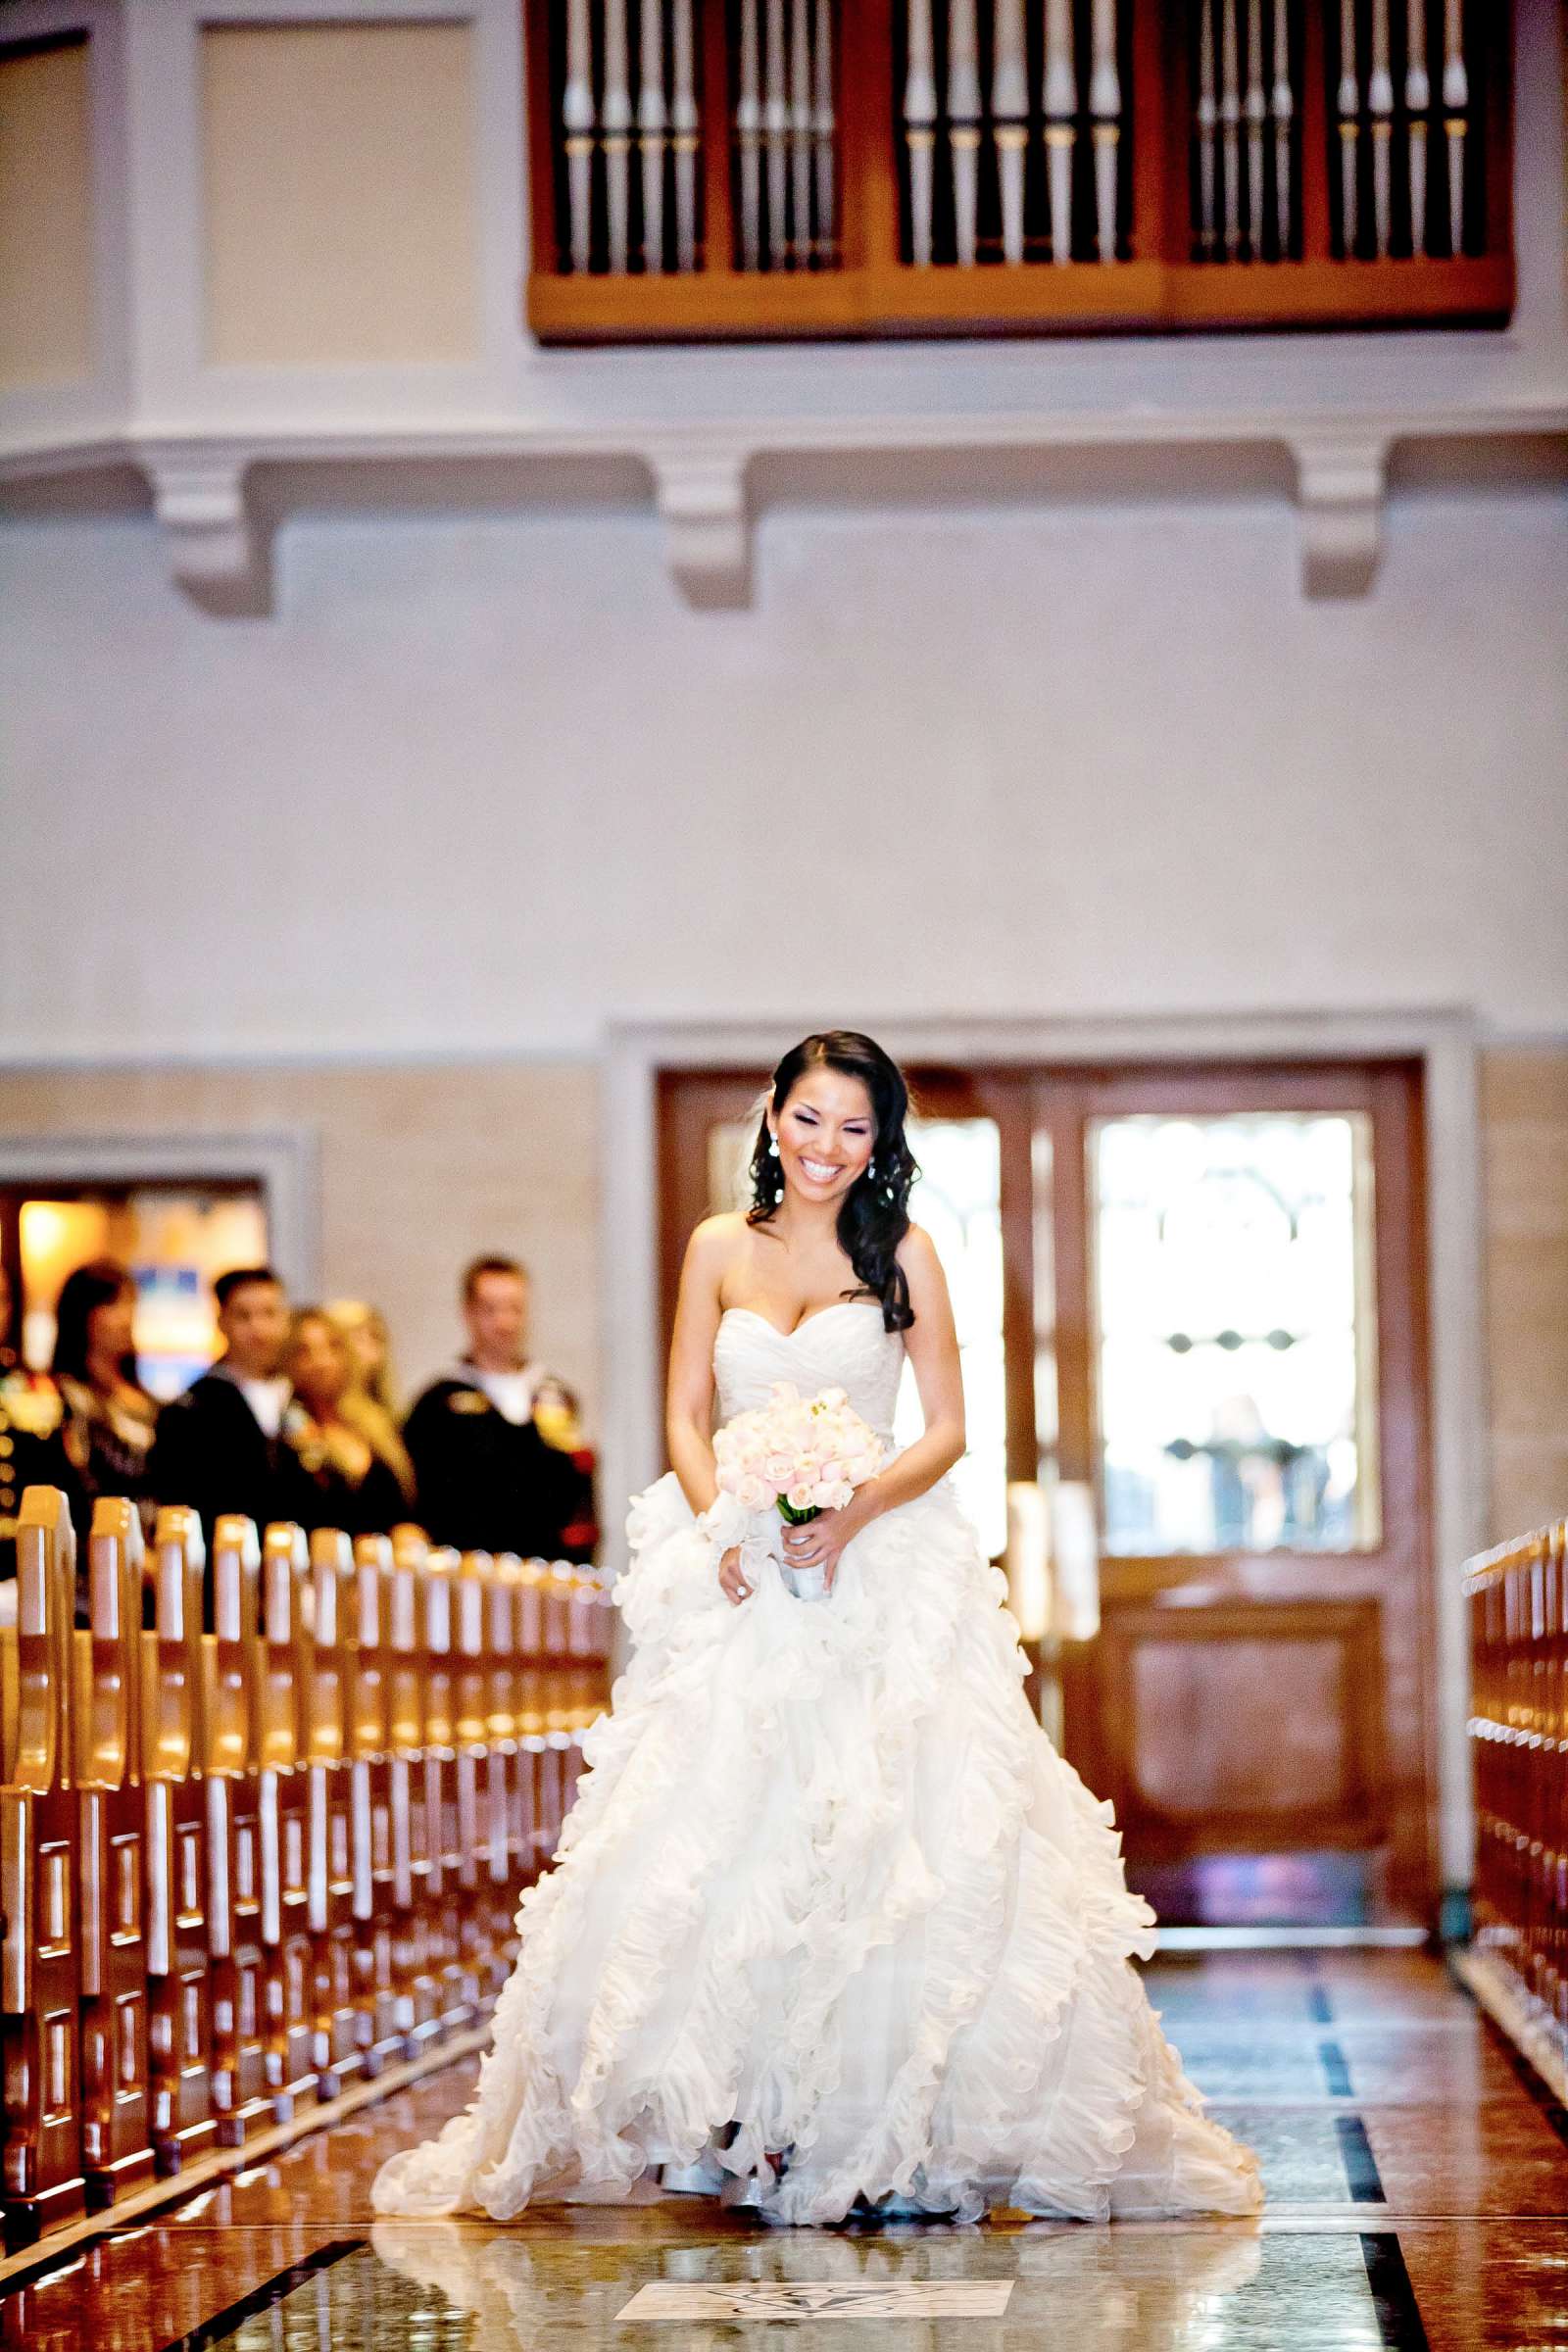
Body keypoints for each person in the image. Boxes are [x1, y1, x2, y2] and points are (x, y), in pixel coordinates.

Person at [372, 1031, 1261, 2229]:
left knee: (885, 1834)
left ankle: (869, 2113)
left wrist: (853, 1511)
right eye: (808, 1119)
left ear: (879, 1141)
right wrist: (718, 1528)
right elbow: (687, 1411)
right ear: (773, 1117)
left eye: (854, 1127)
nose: (826, 1148)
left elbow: (945, 1425)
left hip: (877, 1568)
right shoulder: (715, 1247)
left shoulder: (904, 1250)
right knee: (725, 1831)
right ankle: (731, 2117)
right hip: (738, 1573)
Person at [403, 1256, 597, 1561]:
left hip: (547, 1574)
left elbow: (577, 1491)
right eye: (490, 1310)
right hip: (466, 1577)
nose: (504, 1323)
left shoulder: (555, 1396)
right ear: (468, 1313)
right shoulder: (439, 1403)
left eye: (515, 1309)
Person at [146, 1265, 314, 1548]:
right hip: (226, 1569)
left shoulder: (304, 1400)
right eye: (243, 1316)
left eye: (269, 1314)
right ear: (222, 1321)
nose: (258, 1329)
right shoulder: (191, 1411)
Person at [51, 1259, 159, 1558]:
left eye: (130, 1305)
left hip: (153, 1551)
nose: (126, 1318)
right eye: (113, 1305)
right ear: (82, 1313)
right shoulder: (63, 1398)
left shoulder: (148, 1403)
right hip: (95, 1559)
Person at [283, 1306, 409, 1539]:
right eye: (305, 1351)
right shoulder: (286, 1434)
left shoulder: (376, 1425)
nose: (321, 1361)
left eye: (332, 1347)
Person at [322, 1298, 416, 1507]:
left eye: (375, 1337)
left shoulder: (389, 1421)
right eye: (356, 1336)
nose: (369, 1350)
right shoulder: (321, 1418)